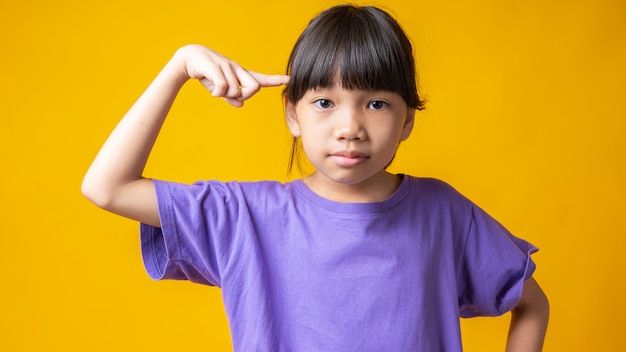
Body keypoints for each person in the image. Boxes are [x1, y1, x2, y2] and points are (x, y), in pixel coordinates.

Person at [82, 4, 549, 351]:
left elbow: (532, 303)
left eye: (377, 103)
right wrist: (180, 66)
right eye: (324, 102)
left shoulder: (443, 213)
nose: (350, 127)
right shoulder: (245, 217)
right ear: (292, 114)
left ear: (407, 119)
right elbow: (107, 187)